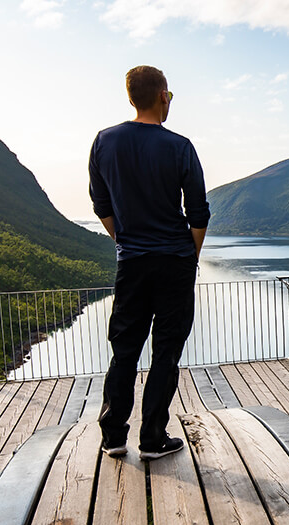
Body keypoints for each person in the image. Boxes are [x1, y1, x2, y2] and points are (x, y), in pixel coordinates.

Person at [89, 65, 209, 460]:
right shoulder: (180, 147)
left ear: (130, 97)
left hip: (132, 263)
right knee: (166, 352)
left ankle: (113, 436)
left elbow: (102, 205)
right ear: (162, 96)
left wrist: (125, 242)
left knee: (124, 350)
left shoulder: (104, 142)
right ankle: (153, 438)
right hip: (174, 261)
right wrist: (189, 255)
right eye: (170, 97)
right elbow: (198, 213)